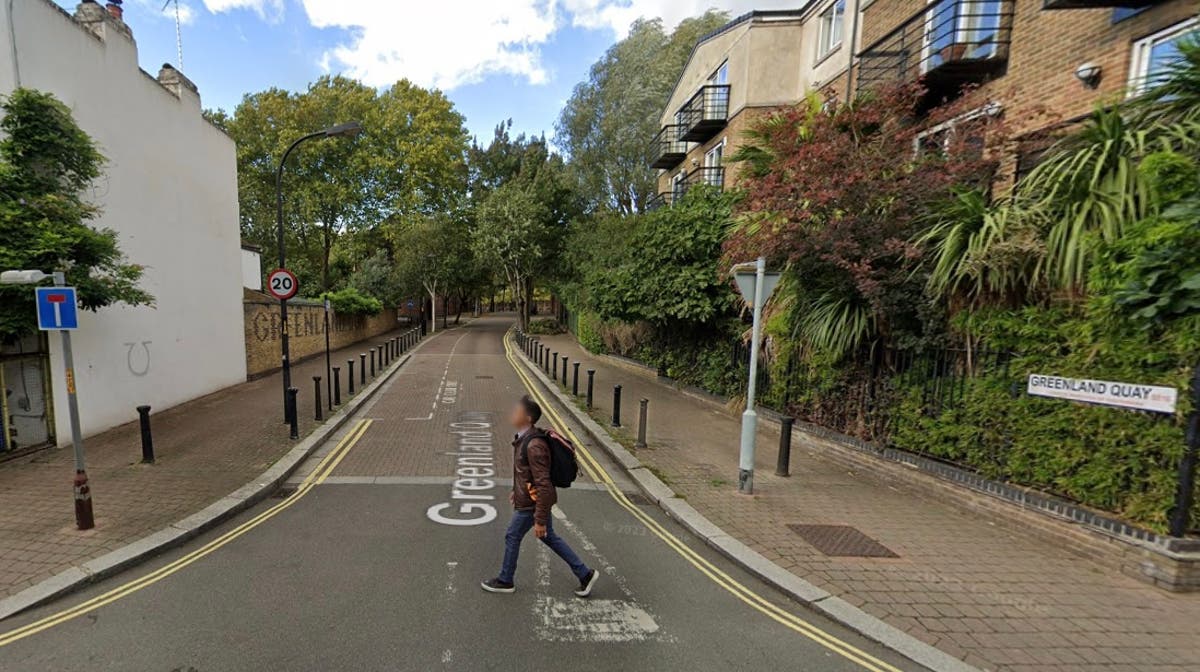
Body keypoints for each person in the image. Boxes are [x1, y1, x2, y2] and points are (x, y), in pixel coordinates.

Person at [481, 395, 598, 597]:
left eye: (516, 411)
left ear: (527, 418)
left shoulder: (534, 445)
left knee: (512, 535)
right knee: (549, 537)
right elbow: (525, 474)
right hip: (530, 499)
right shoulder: (524, 438)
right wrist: (515, 491)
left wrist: (540, 519)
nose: (511, 413)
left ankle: (505, 580)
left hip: (532, 504)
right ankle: (585, 574)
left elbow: (544, 485)